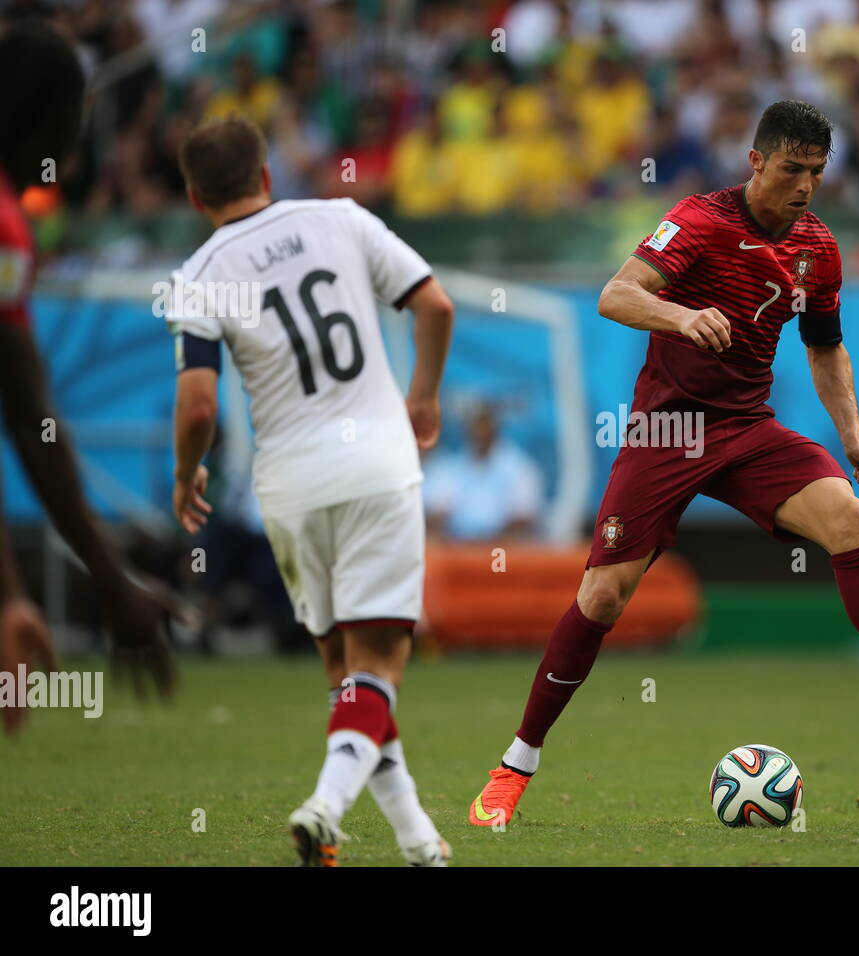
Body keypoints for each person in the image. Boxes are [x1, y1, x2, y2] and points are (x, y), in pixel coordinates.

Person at [469, 100, 859, 828]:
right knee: (603, 599)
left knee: (849, 516)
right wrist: (681, 315)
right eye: (790, 169)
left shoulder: (817, 248)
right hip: (666, 430)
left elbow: (825, 345)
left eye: (816, 172)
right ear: (756, 162)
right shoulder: (701, 221)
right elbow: (615, 294)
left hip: (745, 427)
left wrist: (854, 437)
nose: (804, 186)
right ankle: (514, 765)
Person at [166, 114, 455, 866]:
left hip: (289, 483)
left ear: (196, 196)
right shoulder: (340, 218)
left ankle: (418, 841)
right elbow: (436, 304)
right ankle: (326, 805)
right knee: (379, 669)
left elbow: (198, 405)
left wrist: (184, 469)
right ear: (267, 174)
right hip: (376, 468)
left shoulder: (198, 275)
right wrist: (422, 396)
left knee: (343, 671)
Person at [0, 18, 176, 718]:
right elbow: (26, 411)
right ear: (50, 118)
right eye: (81, 113)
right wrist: (15, 595)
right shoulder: (7, 231)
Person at [424, 404, 544, 542]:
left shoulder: (519, 467)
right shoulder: (453, 467)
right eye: (475, 425)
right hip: (460, 549)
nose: (479, 431)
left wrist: (486, 543)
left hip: (503, 550)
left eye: (484, 424)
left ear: (496, 427)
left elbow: (524, 517)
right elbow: (438, 512)